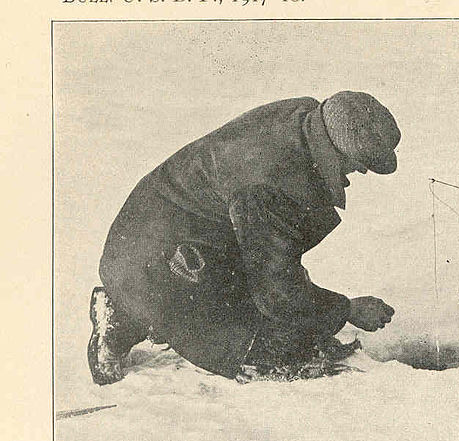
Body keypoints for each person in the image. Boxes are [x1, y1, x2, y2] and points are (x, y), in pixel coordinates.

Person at [88, 91, 400, 385]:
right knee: (275, 355)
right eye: (361, 162)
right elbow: (276, 290)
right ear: (334, 149)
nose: (362, 171)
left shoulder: (304, 118)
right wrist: (345, 309)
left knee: (295, 325)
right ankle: (125, 315)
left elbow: (273, 251)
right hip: (153, 262)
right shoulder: (268, 183)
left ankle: (133, 306)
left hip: (168, 233)